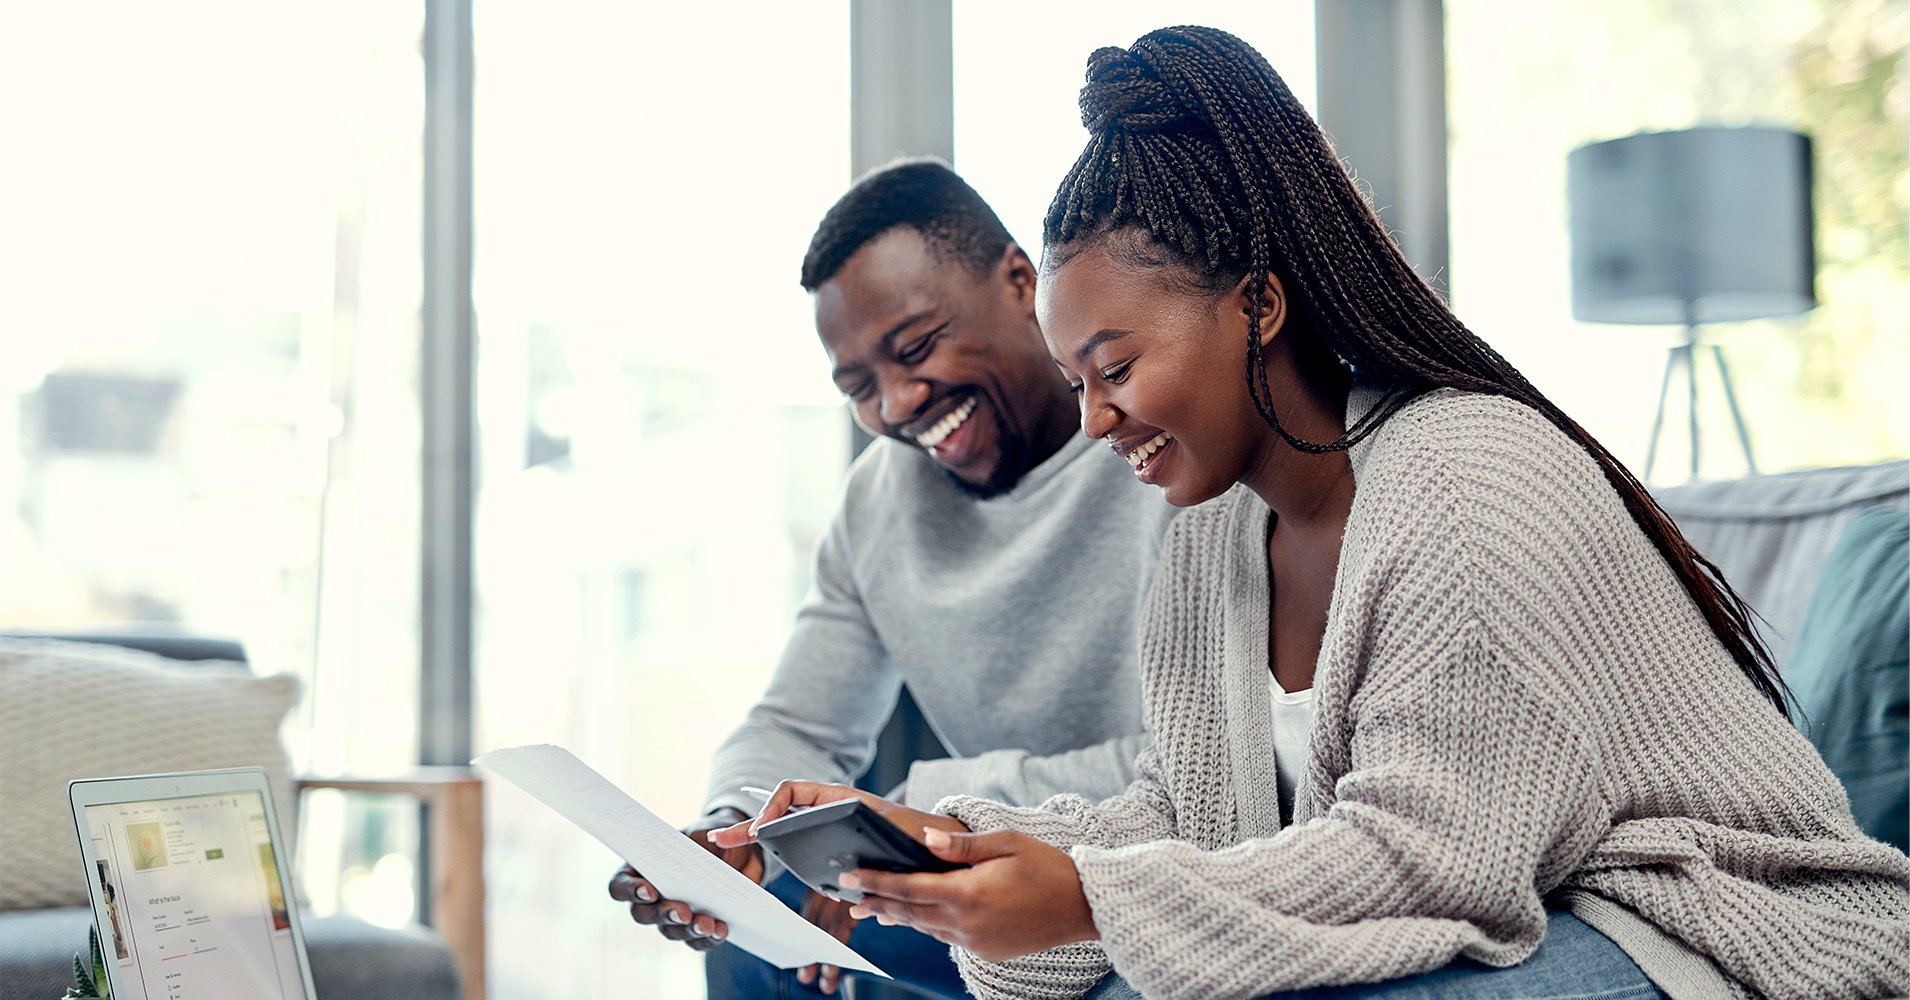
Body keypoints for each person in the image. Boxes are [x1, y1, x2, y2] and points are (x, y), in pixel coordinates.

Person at [713, 26, 1910, 1000]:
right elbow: (1181, 815)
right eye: (1076, 380)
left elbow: (1430, 856)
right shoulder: (1209, 537)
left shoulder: (1465, 475)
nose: (1092, 421)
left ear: (1260, 302)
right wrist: (949, 837)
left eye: (1116, 369)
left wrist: (1089, 901)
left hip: (1694, 923)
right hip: (1512, 900)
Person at [606, 159, 1178, 998]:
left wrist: (924, 811)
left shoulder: (1165, 447)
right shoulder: (877, 502)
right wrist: (733, 831)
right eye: (858, 387)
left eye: (914, 348)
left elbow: (1197, 769)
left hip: (1139, 873)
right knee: (757, 943)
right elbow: (797, 722)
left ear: (1020, 282)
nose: (899, 402)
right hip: (970, 863)